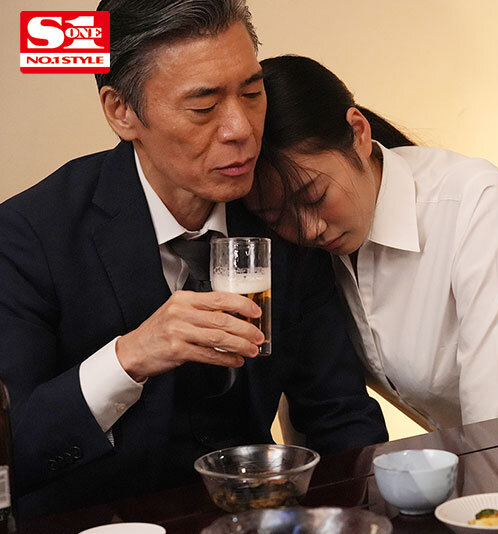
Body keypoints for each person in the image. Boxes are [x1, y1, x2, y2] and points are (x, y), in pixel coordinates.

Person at [0, 3, 386, 519]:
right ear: (121, 111)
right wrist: (129, 357)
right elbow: (13, 452)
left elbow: (340, 416)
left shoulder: (280, 215)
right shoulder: (29, 234)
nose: (241, 129)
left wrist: (367, 515)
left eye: (253, 93)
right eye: (204, 107)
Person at [247, 55, 498, 431]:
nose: (308, 229)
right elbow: (313, 398)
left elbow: (494, 420)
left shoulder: (476, 201)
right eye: (277, 216)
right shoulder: (303, 256)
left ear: (358, 133)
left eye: (314, 196)